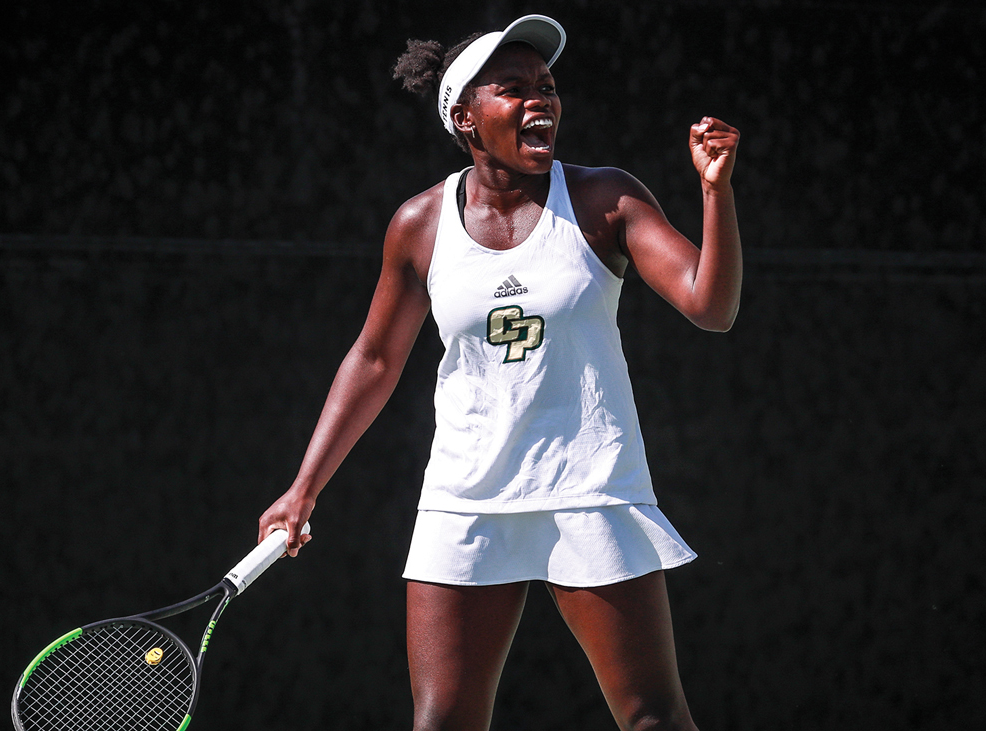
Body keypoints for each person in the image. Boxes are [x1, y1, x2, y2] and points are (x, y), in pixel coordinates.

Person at [258, 14, 740, 731]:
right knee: (442, 722)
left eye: (545, 86)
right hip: (465, 496)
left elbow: (711, 305)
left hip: (589, 487)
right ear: (465, 118)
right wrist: (303, 488)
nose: (539, 99)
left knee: (653, 718)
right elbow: (375, 357)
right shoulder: (419, 225)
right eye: (513, 90)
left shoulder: (608, 198)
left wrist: (715, 191)